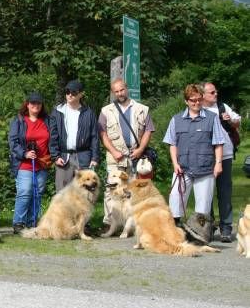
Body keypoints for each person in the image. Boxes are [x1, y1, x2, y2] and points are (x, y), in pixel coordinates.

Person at [163, 84, 226, 243]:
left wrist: (218, 163)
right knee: (175, 200)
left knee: (203, 206)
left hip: (205, 169)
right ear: (186, 101)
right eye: (193, 100)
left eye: (199, 100)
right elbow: (172, 144)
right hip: (182, 169)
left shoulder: (211, 119)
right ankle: (175, 234)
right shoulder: (176, 119)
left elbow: (218, 143)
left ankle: (200, 237)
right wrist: (175, 163)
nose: (197, 103)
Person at [98, 78, 155, 225]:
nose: (120, 93)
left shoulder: (142, 109)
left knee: (135, 189)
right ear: (113, 92)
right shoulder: (106, 110)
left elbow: (149, 130)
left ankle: (133, 223)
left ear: (127, 88)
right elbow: (102, 133)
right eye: (116, 91)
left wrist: (141, 149)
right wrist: (114, 151)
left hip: (135, 156)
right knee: (111, 190)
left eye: (122, 90)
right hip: (115, 156)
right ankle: (109, 223)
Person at [201, 82, 241, 242]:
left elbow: (237, 122)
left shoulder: (223, 107)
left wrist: (230, 120)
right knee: (206, 193)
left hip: (225, 155)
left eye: (216, 91)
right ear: (203, 95)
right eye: (211, 92)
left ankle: (226, 228)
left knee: (224, 192)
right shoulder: (199, 109)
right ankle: (209, 227)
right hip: (206, 156)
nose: (215, 94)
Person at [8, 92, 51, 234]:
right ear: (27, 104)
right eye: (32, 103)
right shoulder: (19, 121)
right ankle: (18, 222)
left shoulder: (47, 120)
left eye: (38, 103)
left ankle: (32, 221)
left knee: (37, 193)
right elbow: (13, 142)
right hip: (25, 163)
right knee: (25, 191)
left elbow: (54, 139)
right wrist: (24, 153)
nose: (35, 106)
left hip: (42, 163)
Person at [49, 79, 99, 191]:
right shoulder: (57, 112)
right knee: (62, 193)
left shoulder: (88, 113)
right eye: (67, 92)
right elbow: (53, 136)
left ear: (81, 94)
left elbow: (94, 136)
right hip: (63, 157)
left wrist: (95, 157)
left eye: (74, 92)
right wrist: (55, 156)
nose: (70, 95)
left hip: (84, 157)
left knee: (85, 193)